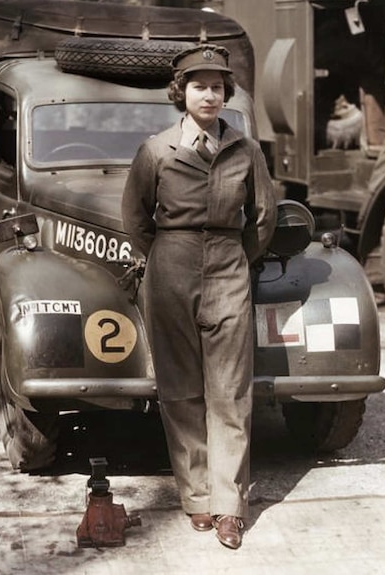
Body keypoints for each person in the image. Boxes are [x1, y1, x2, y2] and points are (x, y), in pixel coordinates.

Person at [121, 44, 276, 550]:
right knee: (181, 392)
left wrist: (234, 259)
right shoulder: (156, 151)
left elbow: (264, 219)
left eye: (217, 86)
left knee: (230, 392)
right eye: (198, 86)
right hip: (170, 271)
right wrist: (169, 257)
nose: (209, 95)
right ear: (180, 93)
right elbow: (136, 220)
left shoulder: (245, 150)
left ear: (227, 93)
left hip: (230, 270)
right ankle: (198, 498)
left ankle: (229, 506)